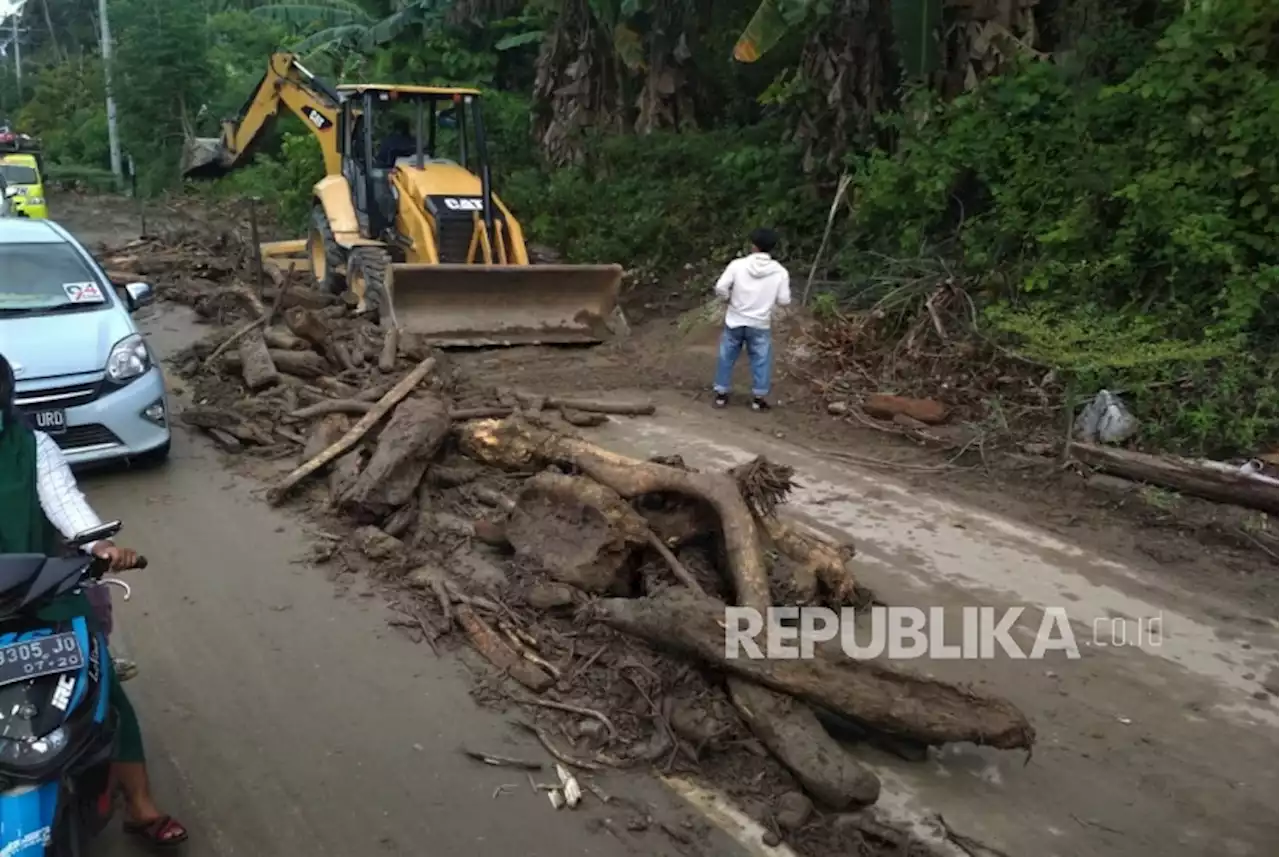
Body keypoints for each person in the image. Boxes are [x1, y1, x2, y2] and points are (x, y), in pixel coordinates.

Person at [0, 354, 188, 846]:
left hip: (41, 596)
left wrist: (100, 547)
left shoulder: (32, 447)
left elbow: (67, 507)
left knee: (103, 697)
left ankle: (141, 808)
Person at [711, 227, 791, 411]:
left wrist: (728, 299)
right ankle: (758, 399)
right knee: (761, 359)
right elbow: (784, 300)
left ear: (753, 246)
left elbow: (721, 287)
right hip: (760, 323)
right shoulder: (780, 272)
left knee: (727, 355)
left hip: (735, 319)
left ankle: (721, 395)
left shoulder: (737, 265)